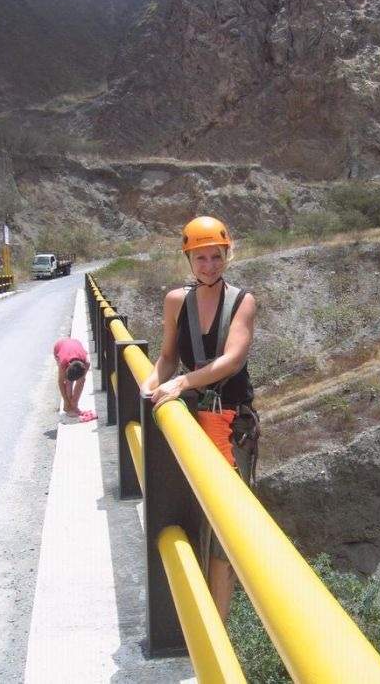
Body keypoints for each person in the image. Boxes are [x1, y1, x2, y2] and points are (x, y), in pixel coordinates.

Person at [141, 215, 260, 623]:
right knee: (190, 512)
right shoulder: (177, 301)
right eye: (201, 258)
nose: (209, 265)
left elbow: (232, 360)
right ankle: (193, 614)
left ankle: (217, 629)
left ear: (227, 256)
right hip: (192, 420)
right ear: (189, 260)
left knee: (226, 525)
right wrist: (149, 386)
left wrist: (180, 382)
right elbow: (168, 356)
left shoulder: (242, 301)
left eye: (216, 257)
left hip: (230, 423)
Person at [53, 338, 90, 417]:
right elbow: (61, 382)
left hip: (75, 344)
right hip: (59, 346)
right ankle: (69, 408)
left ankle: (73, 404)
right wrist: (66, 401)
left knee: (81, 380)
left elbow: (81, 381)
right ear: (68, 366)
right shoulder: (63, 363)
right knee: (68, 382)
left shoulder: (86, 363)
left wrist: (74, 401)